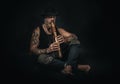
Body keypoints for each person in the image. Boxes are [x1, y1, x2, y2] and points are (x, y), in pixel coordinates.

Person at [29, 8, 91, 75]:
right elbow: (32, 49)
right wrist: (47, 50)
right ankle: (73, 67)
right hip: (48, 57)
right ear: (44, 19)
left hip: (60, 56)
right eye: (50, 17)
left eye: (54, 17)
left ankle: (68, 67)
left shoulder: (58, 29)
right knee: (41, 58)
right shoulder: (38, 31)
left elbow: (75, 37)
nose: (53, 19)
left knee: (75, 41)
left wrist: (65, 39)